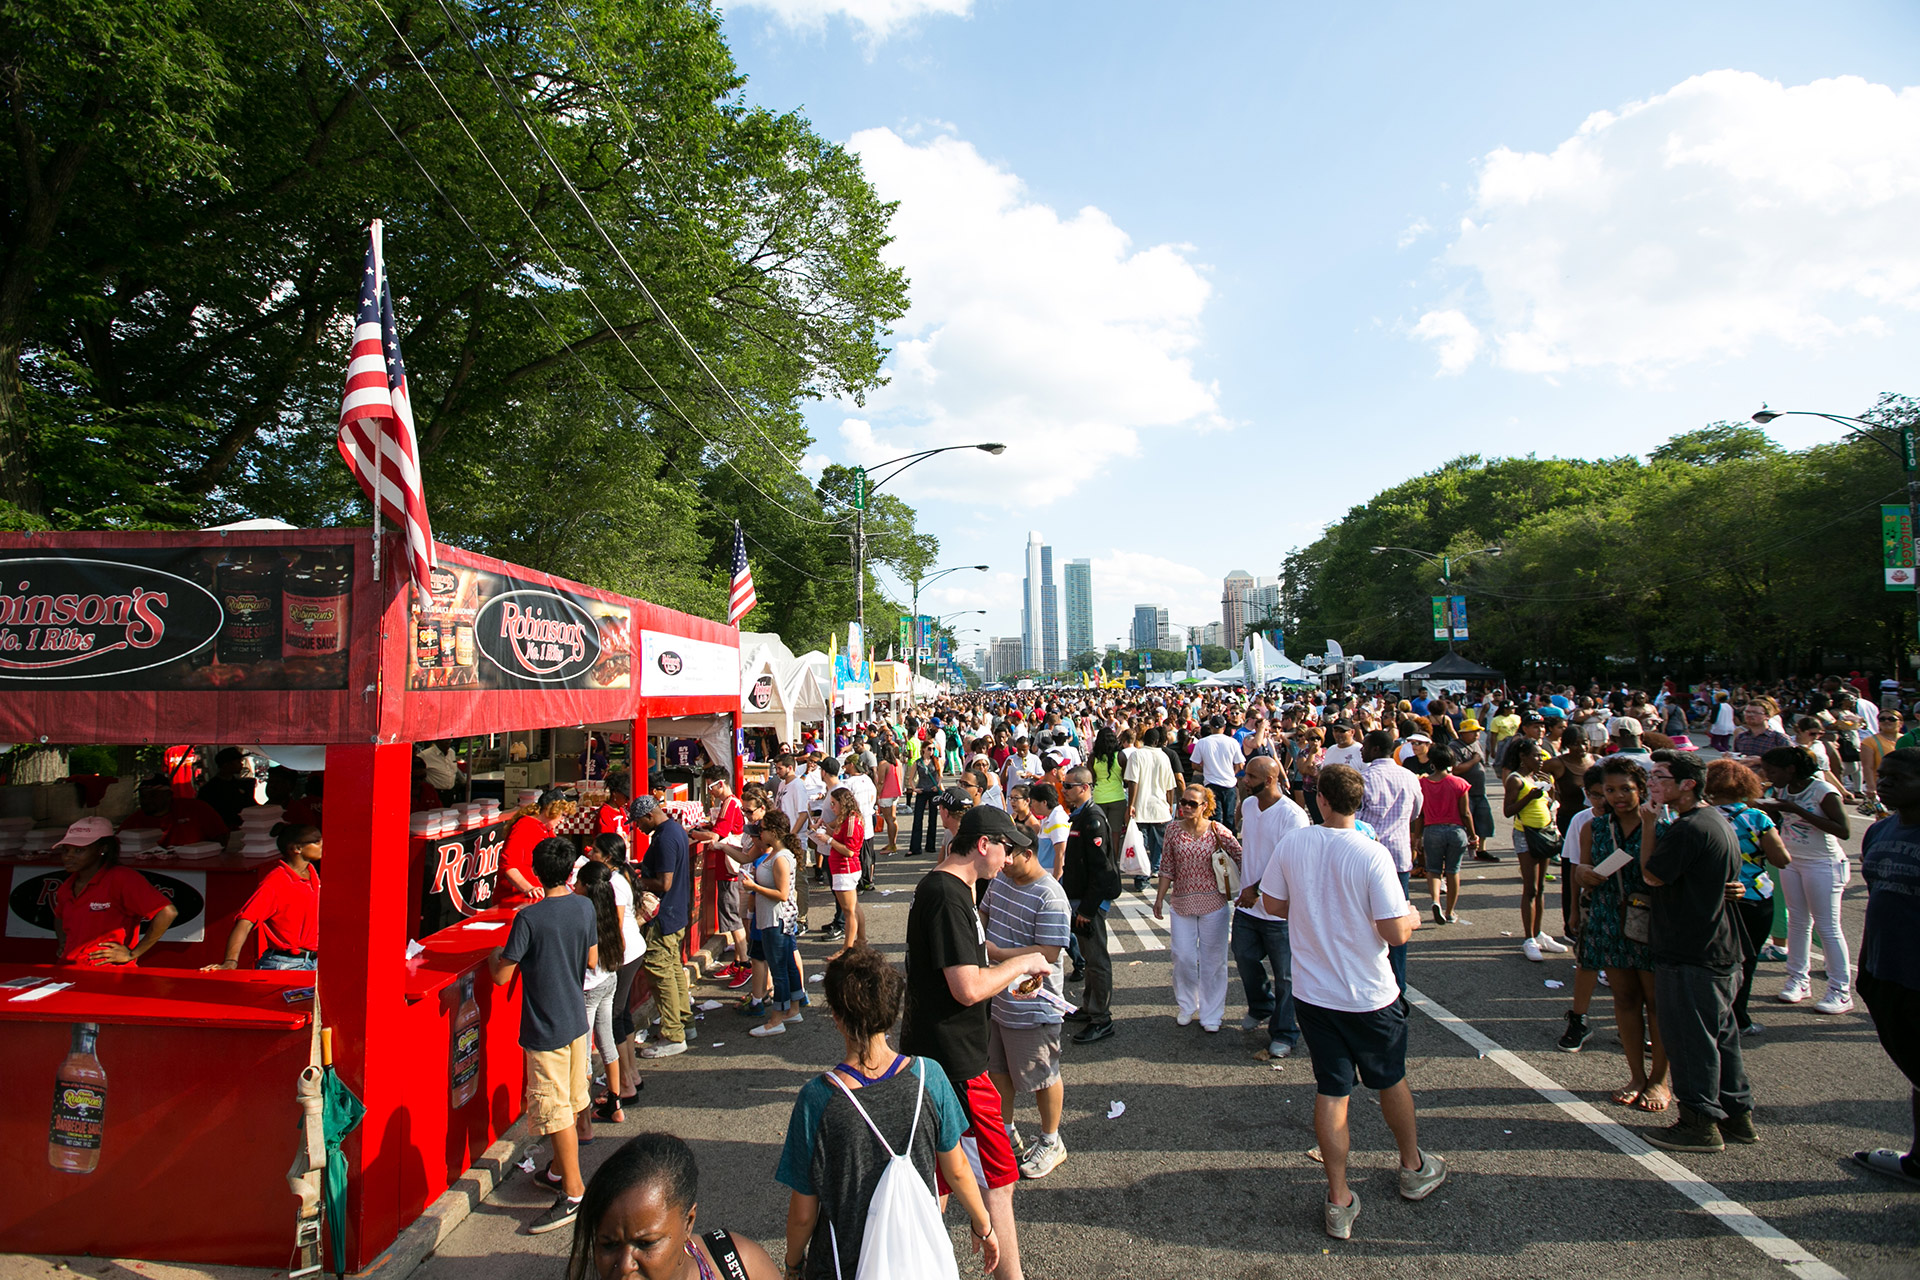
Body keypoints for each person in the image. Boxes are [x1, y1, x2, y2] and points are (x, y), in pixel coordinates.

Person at [1257, 763, 1443, 1241]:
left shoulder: (1294, 844)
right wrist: (1416, 918)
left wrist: (1312, 901)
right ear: (1358, 803)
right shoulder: (1371, 853)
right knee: (1389, 1080)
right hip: (1369, 994)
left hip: (1315, 995)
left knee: (1332, 1090)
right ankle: (1412, 1165)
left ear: (1320, 799)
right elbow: (1393, 930)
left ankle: (1338, 1197)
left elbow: (1273, 905)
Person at [778, 946, 998, 1280]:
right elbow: (958, 1171)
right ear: (894, 1011)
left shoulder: (818, 1099)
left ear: (836, 1017)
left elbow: (803, 1214)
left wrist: (793, 1264)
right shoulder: (930, 1076)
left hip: (841, 1266)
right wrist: (983, 1226)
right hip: (916, 1259)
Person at [901, 806, 1050, 1280]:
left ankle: (921, 1266)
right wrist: (1022, 965)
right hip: (957, 1064)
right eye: (1006, 849)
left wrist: (1024, 956)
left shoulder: (953, 887)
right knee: (998, 1179)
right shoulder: (947, 895)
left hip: (940, 1056)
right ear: (984, 844)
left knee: (939, 1179)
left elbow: (976, 953)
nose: (1009, 860)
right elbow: (967, 985)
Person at [1639, 749, 1755, 1153]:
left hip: (1693, 948)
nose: (1652, 784)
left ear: (1687, 784)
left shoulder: (1690, 827)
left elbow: (1652, 874)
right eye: (1650, 776)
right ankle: (1737, 1114)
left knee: (1690, 1040)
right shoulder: (1713, 820)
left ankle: (1699, 1121)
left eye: (1660, 777)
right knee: (1721, 1036)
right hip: (1718, 947)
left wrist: (1649, 825)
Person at [488, 836, 598, 1234]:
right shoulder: (584, 906)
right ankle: (556, 1171)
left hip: (545, 1026)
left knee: (555, 1112)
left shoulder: (529, 919)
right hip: (574, 1020)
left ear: (536, 871)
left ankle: (572, 1192)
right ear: (571, 870)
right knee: (570, 1102)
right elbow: (591, 959)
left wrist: (492, 958)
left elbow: (502, 975)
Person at [1570, 757, 1670, 1111]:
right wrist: (1584, 875)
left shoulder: (1661, 825)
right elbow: (1580, 870)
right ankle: (1636, 1076)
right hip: (1608, 918)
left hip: (1650, 921)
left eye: (1626, 789)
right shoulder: (1593, 828)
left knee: (1657, 1003)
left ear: (1641, 789)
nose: (1617, 797)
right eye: (1609, 790)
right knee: (1625, 1000)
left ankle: (1660, 1079)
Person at [980, 821, 1073, 1179]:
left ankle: (1051, 1140)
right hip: (997, 993)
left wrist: (997, 952)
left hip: (1033, 1002)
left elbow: (1048, 952)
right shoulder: (1002, 879)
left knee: (1042, 1073)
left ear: (1028, 854)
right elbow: (985, 911)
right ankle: (1005, 1131)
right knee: (999, 1070)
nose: (1001, 863)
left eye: (1008, 856)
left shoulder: (1050, 895)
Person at [566, 1131, 780, 1280]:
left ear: (688, 1223)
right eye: (609, 1244)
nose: (624, 1265)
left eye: (645, 1243)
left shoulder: (740, 1266)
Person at [1853, 748, 1920, 1187]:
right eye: (1884, 774)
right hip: (1884, 971)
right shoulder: (1878, 831)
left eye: (1900, 776)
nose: (1885, 781)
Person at [1758, 745, 1854, 1014]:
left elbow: (1843, 830)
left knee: (1828, 927)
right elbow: (1777, 818)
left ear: (1791, 769)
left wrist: (1795, 809)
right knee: (1798, 922)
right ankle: (1798, 980)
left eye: (1772, 771)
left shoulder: (1822, 791)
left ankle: (1840, 991)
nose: (1768, 775)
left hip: (1823, 863)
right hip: (1793, 861)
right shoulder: (1782, 789)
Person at [1232, 756, 1308, 1058]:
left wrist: (1257, 889)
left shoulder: (1293, 816)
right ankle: (1261, 1005)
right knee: (1244, 957)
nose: (1245, 781)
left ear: (1271, 779)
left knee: (1286, 976)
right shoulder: (1249, 806)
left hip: (1280, 911)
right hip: (1247, 907)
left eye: (1250, 777)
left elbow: (1289, 862)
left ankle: (1285, 1032)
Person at [1153, 784, 1242, 1033]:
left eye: (1192, 803)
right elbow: (1167, 866)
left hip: (1214, 903)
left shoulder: (1217, 830)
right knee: (1182, 957)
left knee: (1214, 961)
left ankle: (1212, 1012)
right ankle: (1186, 1005)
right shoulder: (1172, 830)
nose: (1186, 807)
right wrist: (1160, 897)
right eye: (1183, 802)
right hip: (1181, 901)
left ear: (1205, 806)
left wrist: (1250, 889)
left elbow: (1241, 855)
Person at [51, 817, 179, 966]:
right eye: (65, 850)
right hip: (68, 968)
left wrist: (132, 954)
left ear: (102, 849)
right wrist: (64, 942)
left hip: (109, 973)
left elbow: (167, 912)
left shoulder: (121, 878)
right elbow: (59, 916)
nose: (68, 856)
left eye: (79, 850)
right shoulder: (69, 884)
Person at [204, 823, 321, 971]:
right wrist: (230, 962)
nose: (322, 844)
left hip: (313, 962)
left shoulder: (312, 874)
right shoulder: (276, 882)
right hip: (286, 965)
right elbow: (245, 922)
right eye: (316, 841)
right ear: (296, 848)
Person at [1058, 766, 1120, 1045]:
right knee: (1088, 955)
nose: (1064, 790)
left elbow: (1102, 870)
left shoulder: (1092, 819)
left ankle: (1101, 1018)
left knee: (1096, 961)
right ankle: (1089, 1006)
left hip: (1089, 902)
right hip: (1080, 898)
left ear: (1084, 787)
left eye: (1069, 786)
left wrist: (1087, 909)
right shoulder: (1080, 816)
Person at [1357, 730, 1422, 992]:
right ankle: (1398, 984)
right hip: (1399, 857)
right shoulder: (1408, 776)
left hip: (1369, 859)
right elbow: (1417, 811)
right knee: (1396, 921)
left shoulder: (1366, 778)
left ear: (1374, 750)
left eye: (1365, 747)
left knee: (1366, 922)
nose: (1361, 751)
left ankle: (1374, 981)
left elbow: (1356, 819)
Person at [632, 796, 695, 1060]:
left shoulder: (665, 838)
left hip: (665, 916)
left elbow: (664, 883)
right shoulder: (674, 830)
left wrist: (636, 881)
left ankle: (673, 1033)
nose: (638, 828)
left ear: (649, 816)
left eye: (638, 822)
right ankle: (683, 1021)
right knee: (672, 969)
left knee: (661, 971)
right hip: (676, 912)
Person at [573, 860, 628, 1141]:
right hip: (610, 978)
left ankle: (584, 1125)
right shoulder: (608, 904)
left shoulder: (584, 914)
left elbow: (586, 959)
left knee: (582, 1055)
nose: (574, 887)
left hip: (589, 988)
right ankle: (615, 1104)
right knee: (606, 1042)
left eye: (578, 883)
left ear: (586, 886)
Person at [1504, 742, 1568, 963]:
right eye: (1535, 756)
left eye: (1541, 756)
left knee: (1540, 887)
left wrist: (1550, 790)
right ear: (1523, 757)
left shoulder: (1539, 777)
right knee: (1530, 887)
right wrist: (1528, 798)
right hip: (1526, 835)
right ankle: (1528, 937)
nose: (1540, 760)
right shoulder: (1516, 780)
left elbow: (1551, 802)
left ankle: (1539, 932)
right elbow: (1507, 810)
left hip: (1545, 834)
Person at [744, 810, 804, 1038]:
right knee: (787, 964)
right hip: (776, 918)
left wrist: (754, 887)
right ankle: (794, 1009)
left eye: (764, 829)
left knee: (779, 969)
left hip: (775, 919)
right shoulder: (777, 854)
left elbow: (782, 893)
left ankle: (776, 1019)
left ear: (774, 832)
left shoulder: (780, 858)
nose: (761, 833)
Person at [1416, 746, 1477, 925]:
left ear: (1432, 762)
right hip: (1455, 830)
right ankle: (1450, 911)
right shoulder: (1459, 783)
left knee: (1434, 870)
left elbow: (1420, 813)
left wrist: (1417, 836)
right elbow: (1465, 813)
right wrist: (1473, 835)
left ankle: (1436, 900)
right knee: (1453, 870)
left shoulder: (1423, 784)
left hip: (1432, 830)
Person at [814, 788, 868, 955]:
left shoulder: (851, 819)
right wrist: (825, 830)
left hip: (846, 868)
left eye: (834, 804)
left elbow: (850, 850)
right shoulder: (846, 818)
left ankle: (848, 948)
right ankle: (860, 940)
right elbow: (840, 838)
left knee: (849, 910)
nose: (832, 807)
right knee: (853, 907)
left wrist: (828, 839)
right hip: (842, 867)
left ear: (842, 803)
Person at [1125, 726, 1179, 894]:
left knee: (1141, 845)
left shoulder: (1137, 755)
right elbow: (1170, 785)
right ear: (1157, 742)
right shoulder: (1163, 756)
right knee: (1159, 845)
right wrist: (1170, 803)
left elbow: (1132, 782)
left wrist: (1131, 805)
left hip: (1141, 807)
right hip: (1160, 807)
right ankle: (1156, 869)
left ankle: (1142, 877)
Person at [119, 774, 231, 847]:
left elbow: (222, 837)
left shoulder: (197, 809)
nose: (146, 800)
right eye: (142, 796)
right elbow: (115, 845)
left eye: (153, 795)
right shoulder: (134, 821)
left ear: (168, 795)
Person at [500, 789, 568, 909]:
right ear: (550, 810)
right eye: (562, 815)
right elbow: (509, 866)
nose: (563, 820)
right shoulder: (523, 827)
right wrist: (528, 888)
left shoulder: (546, 829)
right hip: (516, 897)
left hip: (537, 896)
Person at [1190, 717, 1247, 833]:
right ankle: (1230, 845)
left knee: (1214, 820)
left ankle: (1216, 845)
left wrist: (1206, 769)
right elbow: (1240, 764)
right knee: (1229, 819)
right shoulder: (1232, 742)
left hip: (1211, 785)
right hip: (1229, 784)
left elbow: (1194, 765)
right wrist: (1232, 773)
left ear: (1210, 727)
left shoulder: (1202, 742)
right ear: (1224, 728)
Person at [197, 747, 257, 829]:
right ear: (226, 765)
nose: (241, 764)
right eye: (238, 762)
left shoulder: (241, 785)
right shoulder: (210, 789)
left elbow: (252, 806)